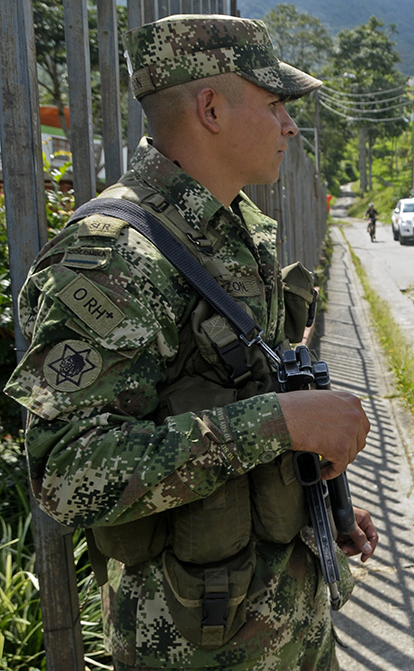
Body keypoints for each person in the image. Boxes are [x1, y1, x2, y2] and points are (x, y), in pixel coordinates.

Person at [4, 14, 377, 670]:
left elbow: (240, 399)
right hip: (195, 643)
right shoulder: (115, 258)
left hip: (289, 623)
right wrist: (280, 422)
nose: (290, 125)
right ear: (209, 108)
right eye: (274, 104)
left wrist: (314, 490)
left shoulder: (239, 229)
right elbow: (67, 472)